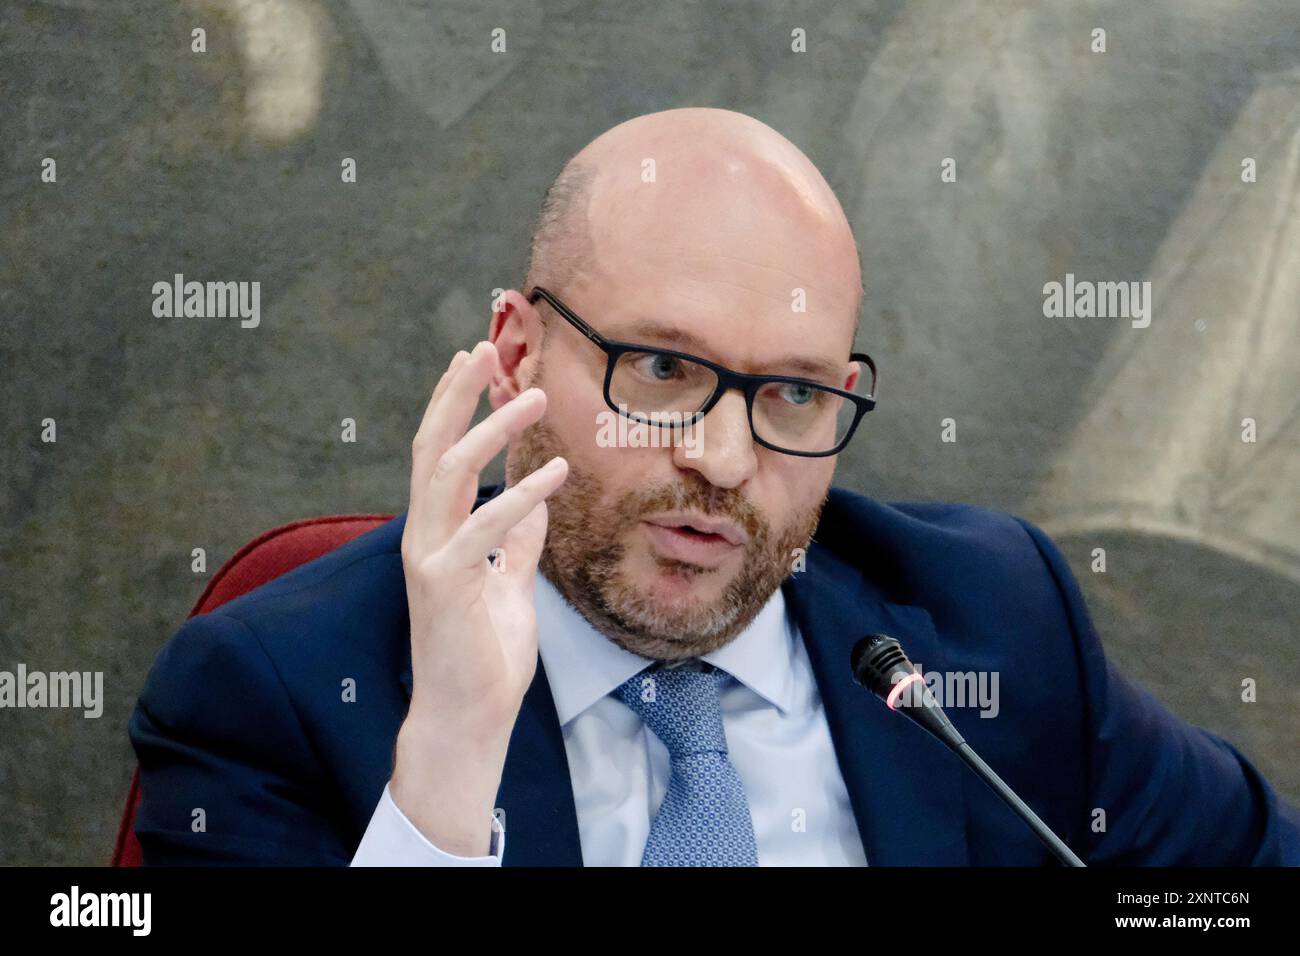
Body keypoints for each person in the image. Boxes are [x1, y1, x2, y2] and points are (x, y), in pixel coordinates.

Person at [129, 107, 1300, 866]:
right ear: (517, 353)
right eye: (664, 369)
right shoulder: (275, 692)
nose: (725, 459)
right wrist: (443, 764)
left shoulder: (994, 622)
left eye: (791, 395)